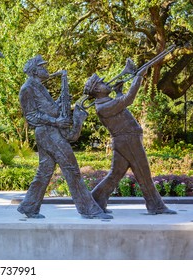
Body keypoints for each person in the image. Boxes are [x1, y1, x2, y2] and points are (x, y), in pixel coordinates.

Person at [18, 55, 112, 219]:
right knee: (72, 169)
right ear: (34, 71)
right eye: (42, 67)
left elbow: (46, 109)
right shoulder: (27, 88)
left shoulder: (38, 86)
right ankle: (88, 210)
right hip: (47, 132)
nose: (46, 69)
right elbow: (31, 116)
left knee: (44, 171)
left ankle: (29, 207)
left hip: (49, 131)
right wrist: (56, 121)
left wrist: (60, 103)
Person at [83, 66, 177, 215]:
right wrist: (138, 77)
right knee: (143, 172)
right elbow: (128, 100)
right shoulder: (103, 107)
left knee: (115, 174)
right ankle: (155, 205)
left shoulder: (108, 102)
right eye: (101, 83)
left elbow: (122, 106)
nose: (106, 83)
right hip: (128, 141)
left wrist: (119, 92)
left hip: (127, 140)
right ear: (97, 90)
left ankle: (95, 201)